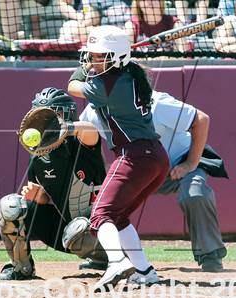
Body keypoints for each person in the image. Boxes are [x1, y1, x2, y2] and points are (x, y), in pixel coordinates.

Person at [80, 89, 228, 272]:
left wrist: (190, 163)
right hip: (141, 169)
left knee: (195, 194)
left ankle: (210, 255)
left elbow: (201, 119)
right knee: (101, 201)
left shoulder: (156, 103)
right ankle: (104, 256)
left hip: (179, 164)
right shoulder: (93, 111)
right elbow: (85, 140)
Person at [68, 25, 170, 291]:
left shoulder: (107, 84)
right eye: (92, 55)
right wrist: (100, 60)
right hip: (155, 157)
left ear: (117, 57)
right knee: (118, 217)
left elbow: (72, 86)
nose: (92, 60)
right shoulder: (130, 74)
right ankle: (146, 271)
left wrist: (84, 69)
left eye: (100, 56)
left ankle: (116, 262)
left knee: (100, 215)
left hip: (133, 156)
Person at [0, 87, 108, 280]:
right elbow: (53, 201)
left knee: (77, 230)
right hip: (64, 233)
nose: (45, 121)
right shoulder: (39, 156)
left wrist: (66, 128)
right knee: (10, 206)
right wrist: (41, 198)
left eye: (52, 114)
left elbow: (91, 132)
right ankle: (21, 268)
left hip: (101, 231)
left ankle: (112, 259)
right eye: (40, 114)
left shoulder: (81, 143)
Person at [125, 0, 191, 53]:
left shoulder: (175, 24)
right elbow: (128, 57)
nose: (149, 2)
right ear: (138, 3)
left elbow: (183, 55)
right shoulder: (131, 25)